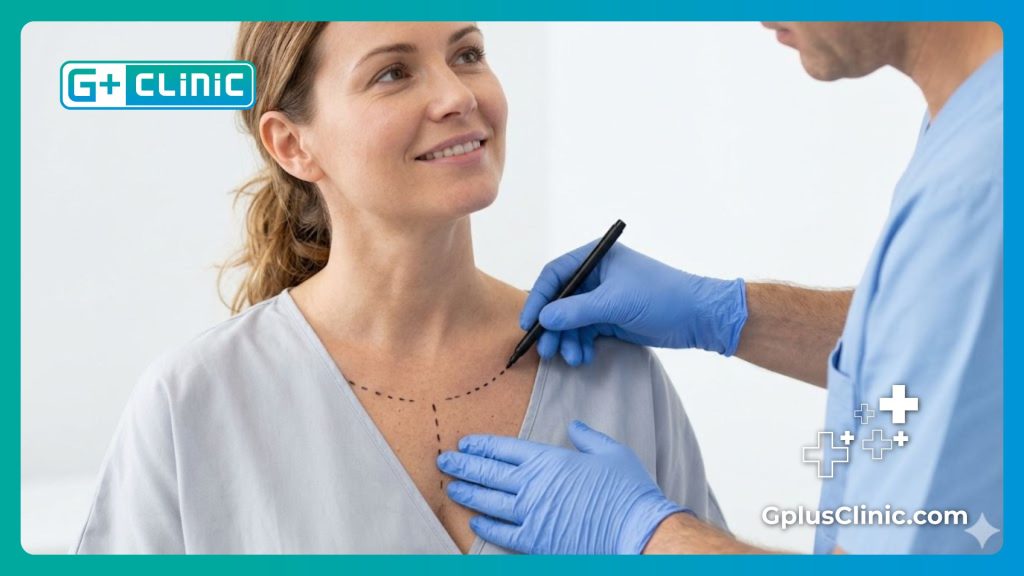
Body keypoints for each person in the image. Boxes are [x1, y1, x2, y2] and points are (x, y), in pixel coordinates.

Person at [70, 21, 725, 554]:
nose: (457, 96)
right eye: (393, 72)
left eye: (467, 54)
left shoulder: (612, 371)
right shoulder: (193, 401)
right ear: (292, 144)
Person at [439, 21, 1003, 555]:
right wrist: (726, 312)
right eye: (396, 73)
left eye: (468, 54)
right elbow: (956, 342)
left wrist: (643, 534)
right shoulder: (970, 123)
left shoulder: (979, 186)